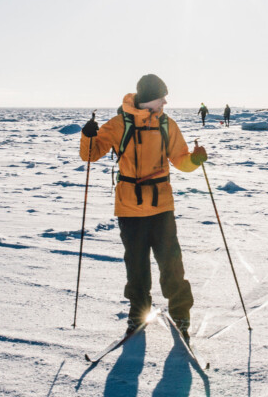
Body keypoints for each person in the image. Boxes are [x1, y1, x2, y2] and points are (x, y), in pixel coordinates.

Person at [80, 74, 208, 338]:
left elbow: (180, 159)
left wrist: (194, 160)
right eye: (161, 97)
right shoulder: (119, 124)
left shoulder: (166, 124)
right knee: (136, 267)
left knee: (172, 265)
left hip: (162, 206)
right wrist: (88, 136)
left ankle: (181, 314)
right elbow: (91, 154)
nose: (165, 102)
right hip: (130, 208)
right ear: (149, 98)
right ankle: (138, 314)